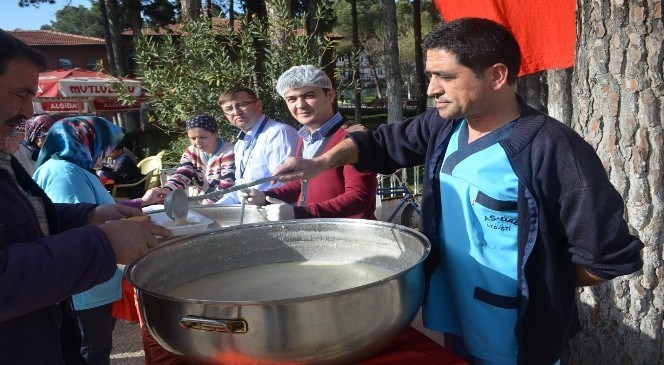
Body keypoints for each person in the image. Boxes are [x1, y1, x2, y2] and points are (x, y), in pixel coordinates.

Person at [271, 18, 644, 364]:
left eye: (445, 76)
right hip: (451, 316)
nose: (432, 88)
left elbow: (606, 256)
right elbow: (380, 144)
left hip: (515, 333)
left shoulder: (552, 149)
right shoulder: (444, 125)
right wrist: (320, 163)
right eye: (430, 75)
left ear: (496, 76)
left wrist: (546, 283)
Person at [0, 29, 171, 364]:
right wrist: (103, 244)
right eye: (20, 94)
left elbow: (25, 224)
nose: (29, 110)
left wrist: (88, 215)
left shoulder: (6, 160)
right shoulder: (62, 169)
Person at [33, 116, 168, 365]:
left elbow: (95, 210)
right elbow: (77, 228)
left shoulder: (73, 168)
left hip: (93, 283)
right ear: (86, 141)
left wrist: (142, 202)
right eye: (104, 145)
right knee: (91, 353)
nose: (107, 152)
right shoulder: (64, 172)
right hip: (85, 288)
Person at [240, 65, 377, 220]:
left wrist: (298, 213)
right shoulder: (305, 136)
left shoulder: (354, 136)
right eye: (291, 99)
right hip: (316, 233)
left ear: (330, 95)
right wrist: (264, 196)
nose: (300, 105)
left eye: (309, 96)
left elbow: (359, 199)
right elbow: (302, 183)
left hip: (352, 237)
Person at [215, 86, 298, 204]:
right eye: (229, 109)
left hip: (274, 211)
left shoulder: (278, 133)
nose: (236, 112)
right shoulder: (240, 143)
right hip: (249, 210)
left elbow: (284, 184)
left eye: (241, 104)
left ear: (258, 105)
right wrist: (213, 210)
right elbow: (239, 188)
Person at [162, 114, 235, 205]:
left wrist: (204, 205)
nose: (197, 142)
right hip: (202, 200)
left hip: (225, 203)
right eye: (193, 138)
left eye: (202, 137)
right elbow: (182, 175)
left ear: (215, 134)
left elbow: (226, 186)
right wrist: (166, 190)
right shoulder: (191, 151)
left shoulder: (229, 153)